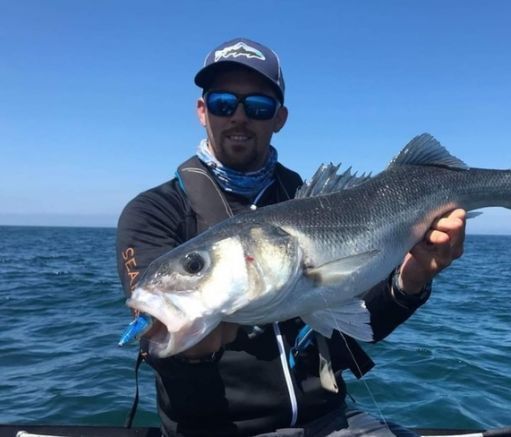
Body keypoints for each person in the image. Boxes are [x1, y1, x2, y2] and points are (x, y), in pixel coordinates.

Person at [116, 37, 466, 437]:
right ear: (202, 110)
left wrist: (412, 280)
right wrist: (192, 345)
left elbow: (359, 325)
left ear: (280, 117)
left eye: (259, 107)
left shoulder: (315, 199)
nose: (239, 117)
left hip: (334, 420)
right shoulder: (153, 212)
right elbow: (154, 338)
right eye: (222, 104)